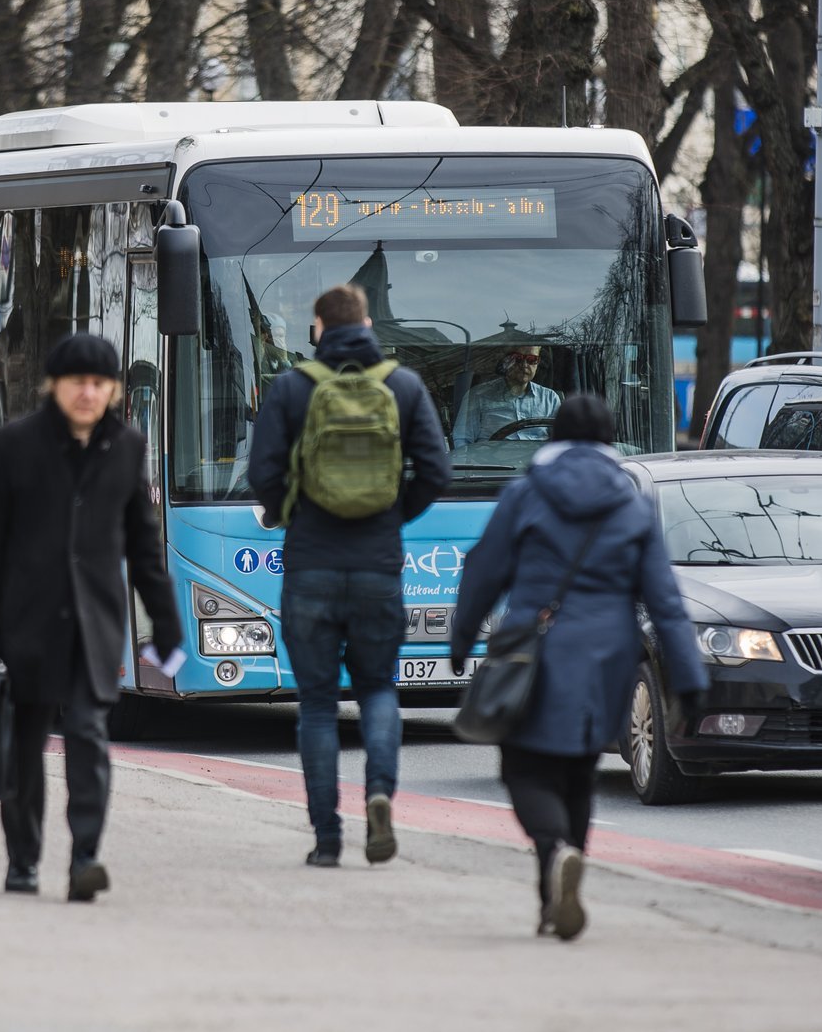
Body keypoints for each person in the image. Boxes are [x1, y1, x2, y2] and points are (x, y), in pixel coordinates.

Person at [450, 394, 706, 940]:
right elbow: (664, 599)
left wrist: (461, 639)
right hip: (609, 655)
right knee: (577, 775)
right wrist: (688, 675)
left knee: (522, 769)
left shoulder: (526, 494)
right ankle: (558, 891)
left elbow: (482, 569)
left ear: (554, 438)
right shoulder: (631, 506)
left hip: (535, 650)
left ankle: (554, 850)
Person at [0, 331, 184, 902]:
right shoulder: (8, 448)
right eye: (78, 382)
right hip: (24, 626)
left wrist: (167, 622)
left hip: (93, 626)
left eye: (101, 383)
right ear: (53, 386)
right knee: (23, 747)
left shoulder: (128, 447)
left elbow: (144, 546)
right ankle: (23, 861)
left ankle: (85, 856)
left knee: (88, 736)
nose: (89, 393)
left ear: (112, 390)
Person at [247, 284, 450, 868]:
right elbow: (435, 472)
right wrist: (391, 515)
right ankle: (380, 795)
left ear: (319, 327)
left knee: (315, 704)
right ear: (366, 322)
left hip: (310, 562)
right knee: (379, 690)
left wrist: (295, 513)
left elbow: (263, 473)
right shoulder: (403, 385)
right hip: (377, 564)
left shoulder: (291, 388)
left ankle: (328, 838)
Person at [453, 345, 563, 446]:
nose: (524, 365)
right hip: (492, 465)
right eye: (518, 358)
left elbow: (562, 442)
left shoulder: (550, 399)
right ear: (505, 361)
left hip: (537, 465)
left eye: (532, 360)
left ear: (538, 363)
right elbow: (462, 440)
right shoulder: (478, 396)